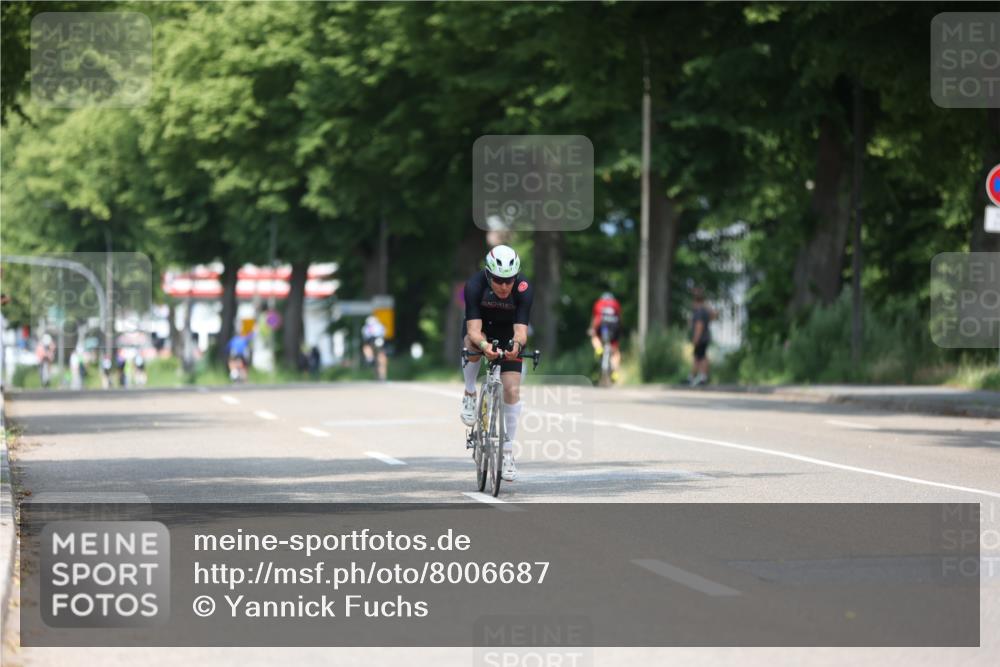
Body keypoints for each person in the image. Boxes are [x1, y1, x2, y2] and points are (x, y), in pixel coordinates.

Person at [460, 245, 533, 482]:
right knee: (470, 346)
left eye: (509, 280)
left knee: (512, 388)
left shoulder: (523, 289)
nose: (504, 286)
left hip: (507, 333)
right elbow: (473, 330)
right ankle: (470, 392)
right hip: (481, 330)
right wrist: (484, 347)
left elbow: (521, 332)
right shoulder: (473, 285)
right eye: (499, 280)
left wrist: (516, 347)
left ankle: (508, 452)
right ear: (489, 275)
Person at [589, 291, 622, 383]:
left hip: (603, 325)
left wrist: (592, 329)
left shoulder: (599, 303)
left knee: (594, 336)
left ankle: (599, 349)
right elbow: (619, 318)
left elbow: (596, 318)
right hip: (615, 326)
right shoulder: (616, 304)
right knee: (615, 351)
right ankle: (615, 372)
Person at [687, 287, 715, 386]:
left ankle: (698, 377)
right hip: (705, 337)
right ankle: (699, 376)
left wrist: (696, 338)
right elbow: (713, 316)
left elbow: (699, 325)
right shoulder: (705, 311)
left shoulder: (698, 312)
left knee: (699, 358)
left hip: (701, 338)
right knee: (702, 357)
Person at [361, 315, 388, 381]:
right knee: (366, 347)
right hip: (371, 341)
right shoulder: (366, 328)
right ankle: (370, 358)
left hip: (379, 341)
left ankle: (382, 375)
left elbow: (383, 334)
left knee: (382, 357)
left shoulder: (380, 326)